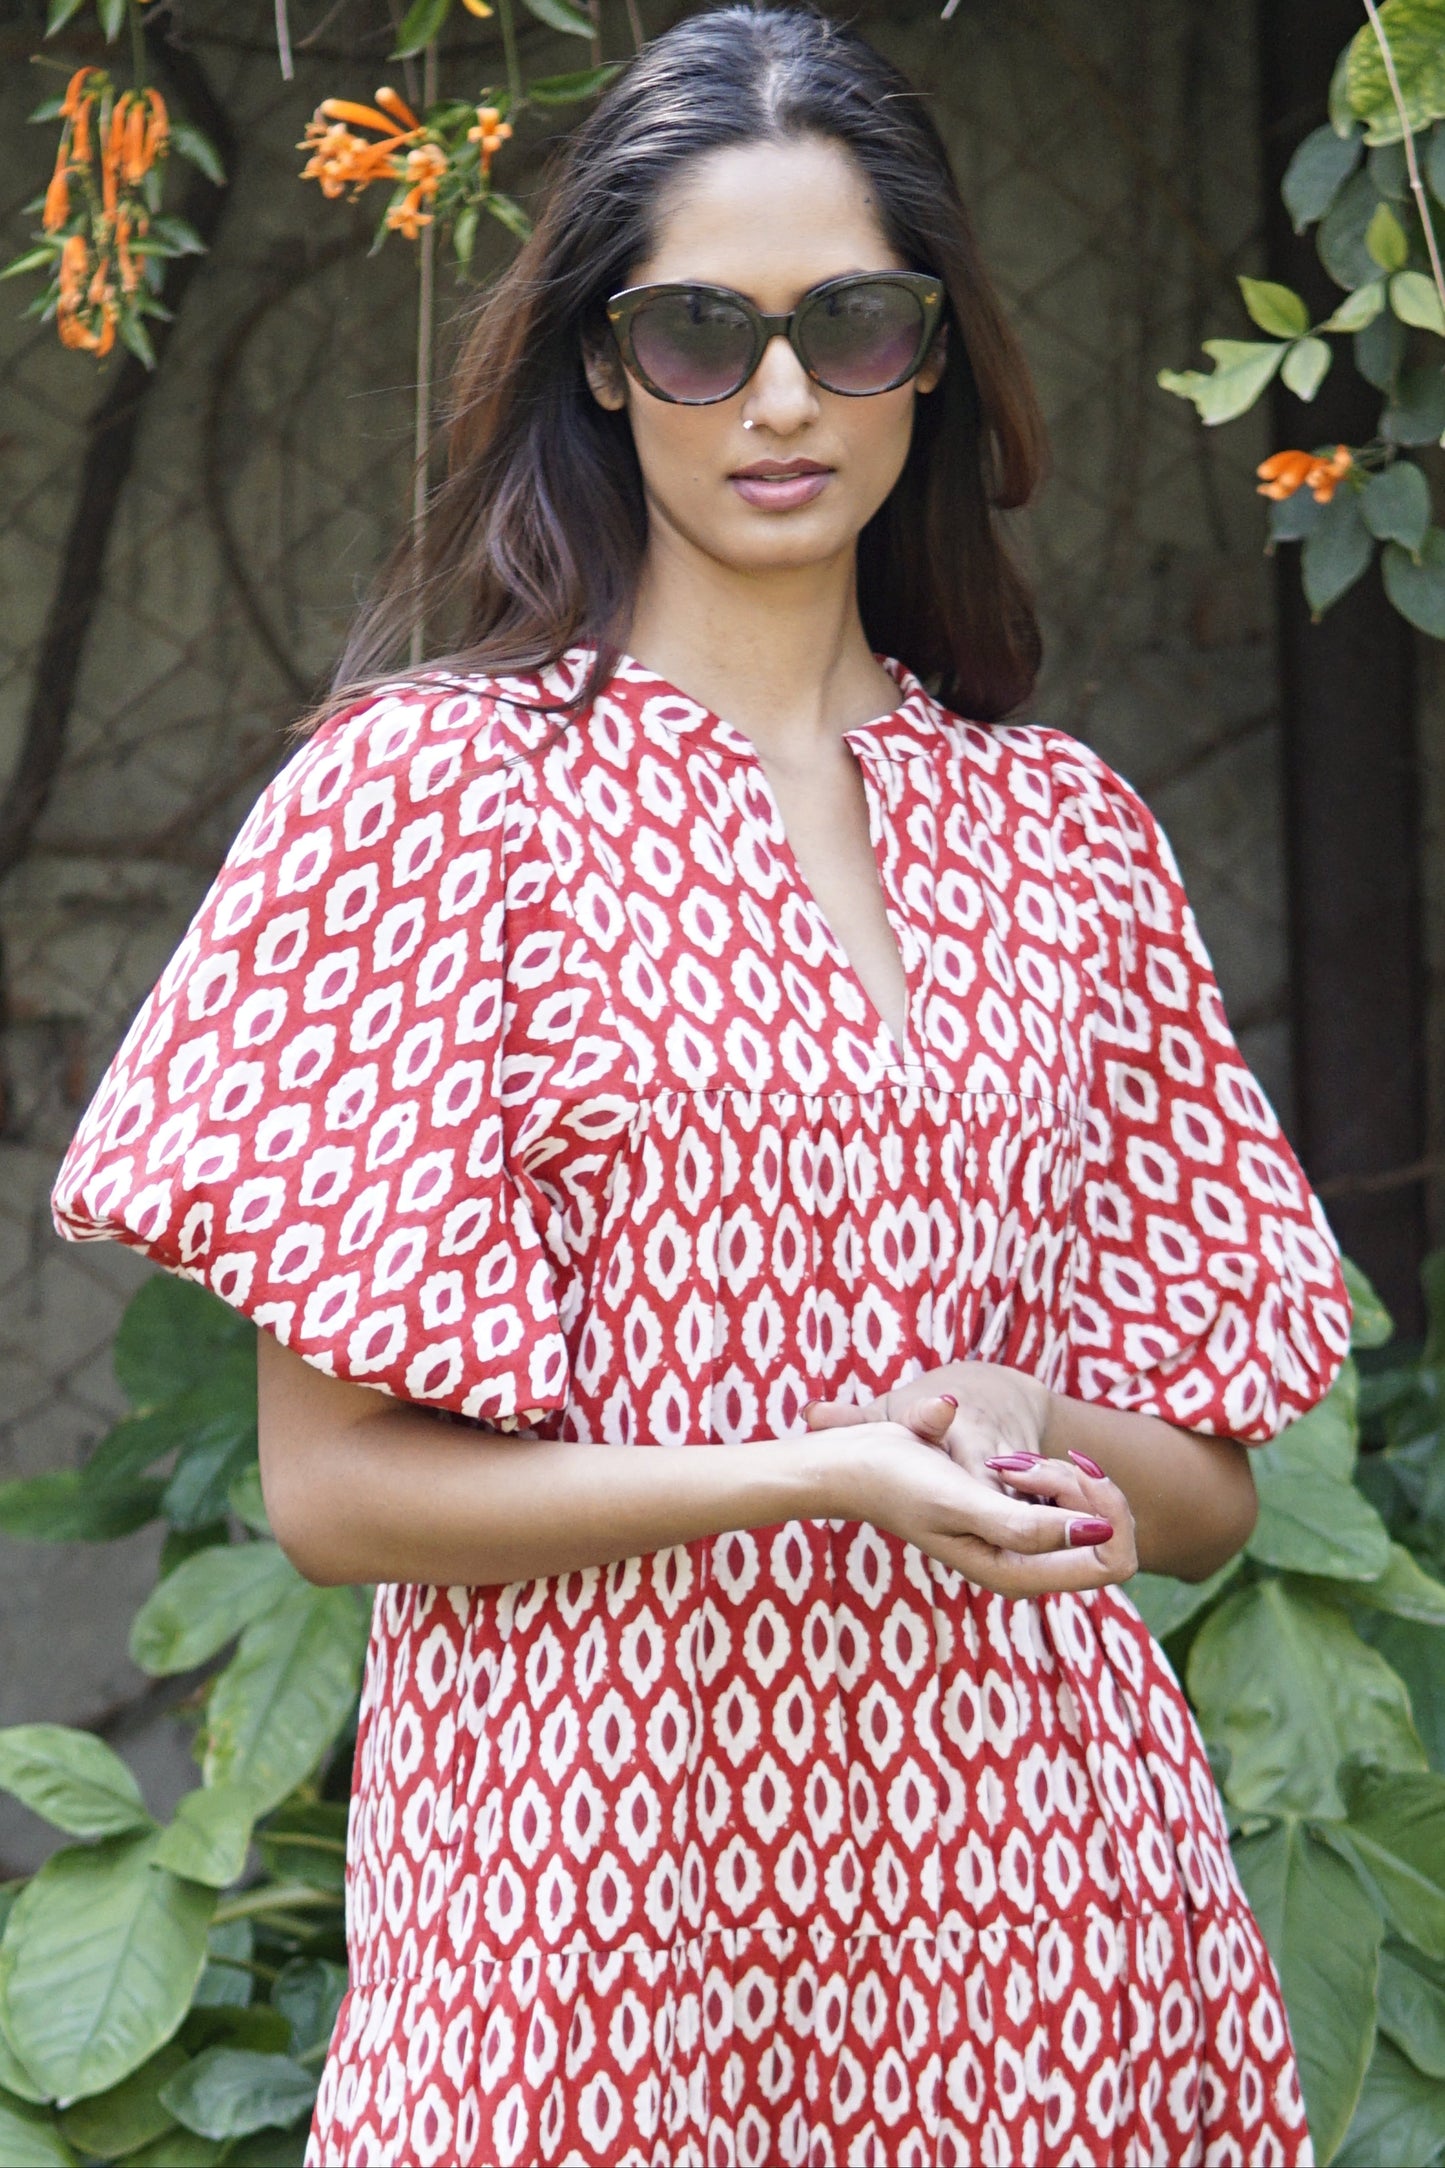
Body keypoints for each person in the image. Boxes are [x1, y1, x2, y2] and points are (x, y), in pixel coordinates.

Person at [52, 6, 1351, 2162]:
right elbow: (337, 1493)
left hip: (1044, 1910)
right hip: (585, 1923)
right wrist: (813, 1465)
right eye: (694, 334)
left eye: (849, 324)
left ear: (929, 355)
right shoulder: (430, 805)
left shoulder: (1071, 833)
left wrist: (1031, 1416)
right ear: (594, 356)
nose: (776, 398)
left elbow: (1206, 1490)